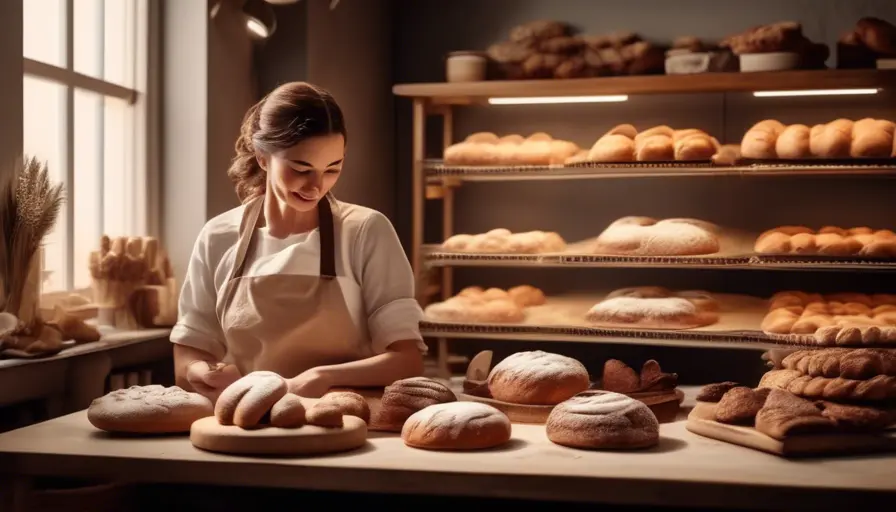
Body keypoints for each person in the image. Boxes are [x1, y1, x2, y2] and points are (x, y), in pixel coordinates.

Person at [170, 82, 426, 401]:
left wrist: (323, 377)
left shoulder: (366, 231)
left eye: (333, 169)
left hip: (342, 420)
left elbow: (406, 361)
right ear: (263, 157)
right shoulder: (218, 236)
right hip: (244, 421)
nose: (316, 185)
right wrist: (202, 371)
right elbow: (188, 354)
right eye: (301, 168)